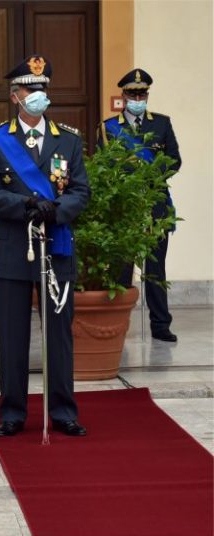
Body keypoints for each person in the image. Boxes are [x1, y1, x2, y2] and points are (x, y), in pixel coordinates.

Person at [0, 55, 90, 437]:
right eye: (31, 89)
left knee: (58, 333)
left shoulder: (69, 140)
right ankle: (12, 413)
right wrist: (26, 205)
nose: (39, 95)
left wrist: (55, 211)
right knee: (13, 336)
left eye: (43, 88)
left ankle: (63, 411)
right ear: (15, 96)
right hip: (13, 246)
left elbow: (80, 191)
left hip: (56, 245)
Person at [98, 69, 182, 342]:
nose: (137, 98)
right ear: (123, 96)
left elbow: (174, 160)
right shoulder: (108, 128)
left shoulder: (161, 124)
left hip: (155, 205)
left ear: (147, 95)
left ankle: (160, 325)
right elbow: (102, 165)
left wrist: (150, 176)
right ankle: (118, 324)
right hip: (125, 207)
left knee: (155, 269)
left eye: (142, 94)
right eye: (132, 94)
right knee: (122, 268)